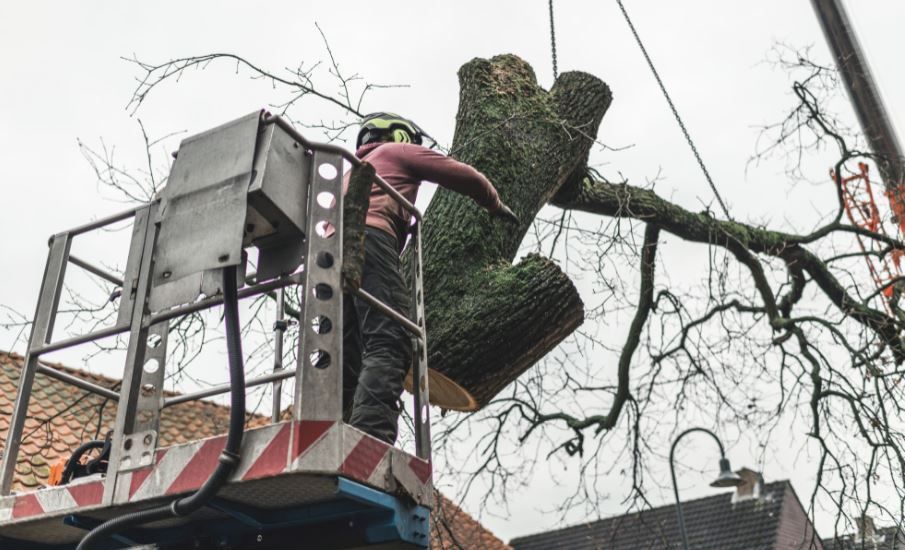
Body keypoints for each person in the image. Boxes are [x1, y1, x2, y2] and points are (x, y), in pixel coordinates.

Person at [342, 112, 518, 444]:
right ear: (400, 136)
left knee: (344, 351)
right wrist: (494, 203)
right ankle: (369, 440)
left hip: (329, 257)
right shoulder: (396, 152)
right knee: (389, 339)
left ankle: (333, 427)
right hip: (370, 241)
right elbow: (462, 175)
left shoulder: (347, 174)